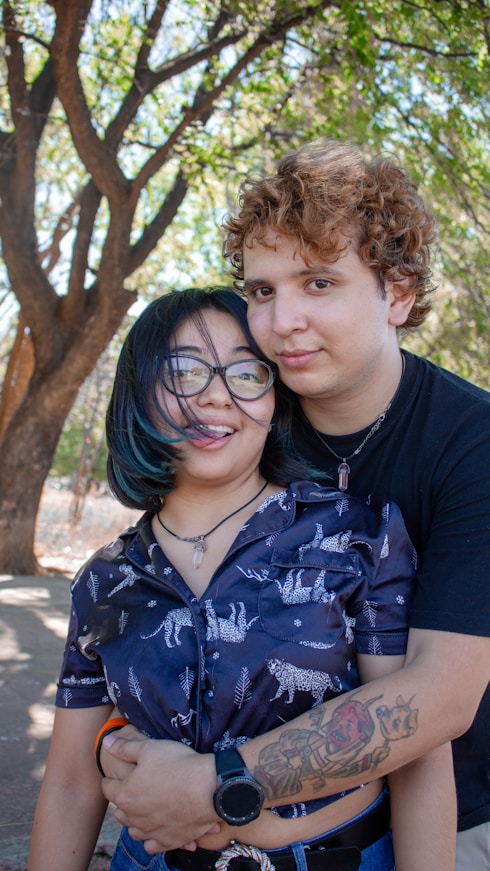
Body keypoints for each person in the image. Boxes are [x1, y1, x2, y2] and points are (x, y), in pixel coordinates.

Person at [97, 142, 490, 869]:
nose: (281, 323)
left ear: (398, 292)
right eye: (262, 290)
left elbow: (441, 696)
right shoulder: (246, 414)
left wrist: (217, 783)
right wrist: (116, 745)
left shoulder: (473, 444)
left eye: (318, 281)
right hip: (219, 835)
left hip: (450, 815)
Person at [28, 286, 453, 871]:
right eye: (184, 371)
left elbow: (417, 751)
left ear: (274, 399)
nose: (216, 396)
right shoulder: (103, 582)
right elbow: (72, 784)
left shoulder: (358, 535)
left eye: (247, 372)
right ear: (138, 392)